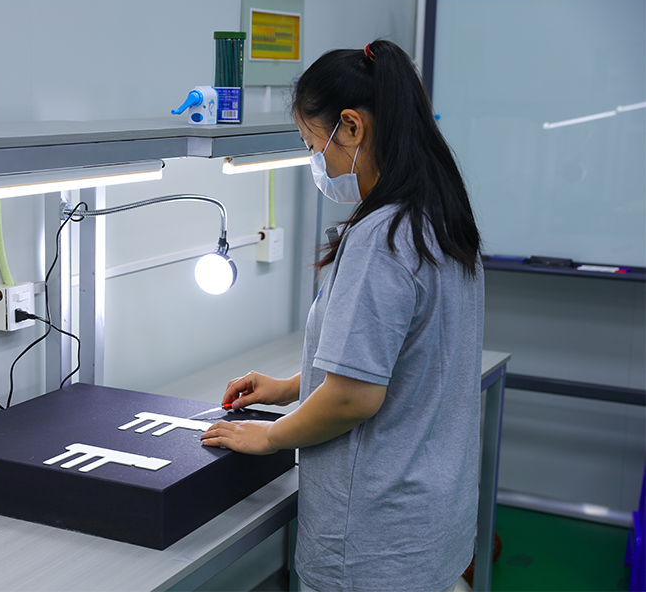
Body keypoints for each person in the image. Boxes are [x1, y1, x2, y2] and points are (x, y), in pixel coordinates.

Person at [200, 39, 484, 592]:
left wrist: (271, 437)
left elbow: (354, 398)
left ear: (352, 127)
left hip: (375, 538)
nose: (318, 163)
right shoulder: (439, 216)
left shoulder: (383, 239)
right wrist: (291, 387)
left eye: (314, 145)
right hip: (430, 518)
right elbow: (396, 359)